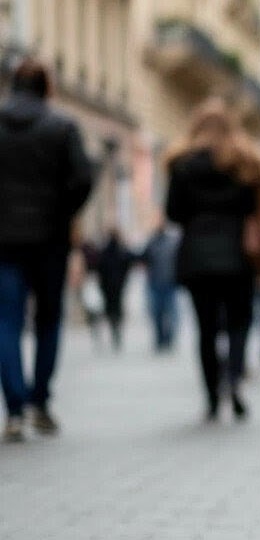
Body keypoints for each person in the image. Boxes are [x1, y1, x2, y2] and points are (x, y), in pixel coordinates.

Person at [0, 58, 94, 441]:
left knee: (6, 321)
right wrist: (63, 211)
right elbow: (84, 177)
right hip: (50, 239)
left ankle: (14, 409)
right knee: (48, 320)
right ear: (46, 87)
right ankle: (39, 402)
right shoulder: (63, 126)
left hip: (4, 241)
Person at [165, 98, 260, 422]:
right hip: (237, 255)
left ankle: (211, 396)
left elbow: (173, 212)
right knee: (238, 323)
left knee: (206, 330)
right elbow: (253, 207)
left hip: (197, 257)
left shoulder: (183, 164)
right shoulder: (243, 163)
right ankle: (234, 378)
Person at [140, 218, 180, 353]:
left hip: (169, 283)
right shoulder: (152, 243)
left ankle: (168, 339)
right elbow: (144, 258)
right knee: (157, 314)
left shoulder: (172, 242)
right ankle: (160, 339)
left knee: (170, 314)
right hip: (156, 283)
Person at [96, 227, 136, 352]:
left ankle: (114, 330)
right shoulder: (120, 251)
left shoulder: (106, 251)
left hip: (108, 287)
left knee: (110, 310)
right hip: (117, 287)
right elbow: (129, 262)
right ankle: (115, 330)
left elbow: (100, 269)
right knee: (116, 310)